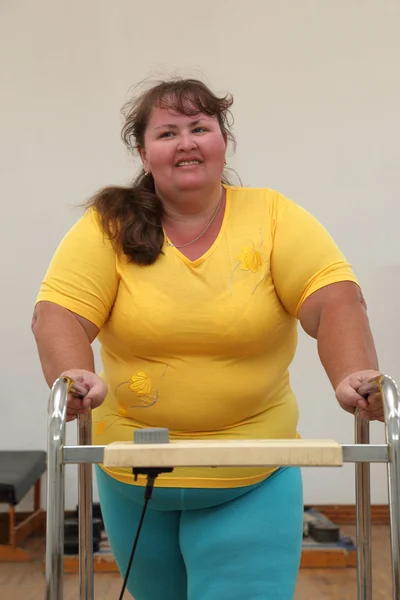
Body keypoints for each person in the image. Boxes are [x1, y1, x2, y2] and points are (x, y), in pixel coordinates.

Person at [32, 77, 383, 600]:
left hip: (253, 471)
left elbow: (333, 299)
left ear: (224, 141)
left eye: (200, 127)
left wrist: (353, 375)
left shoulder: (271, 215)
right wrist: (75, 374)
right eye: (168, 132)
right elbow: (58, 313)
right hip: (133, 473)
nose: (187, 142)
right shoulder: (110, 225)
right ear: (143, 151)